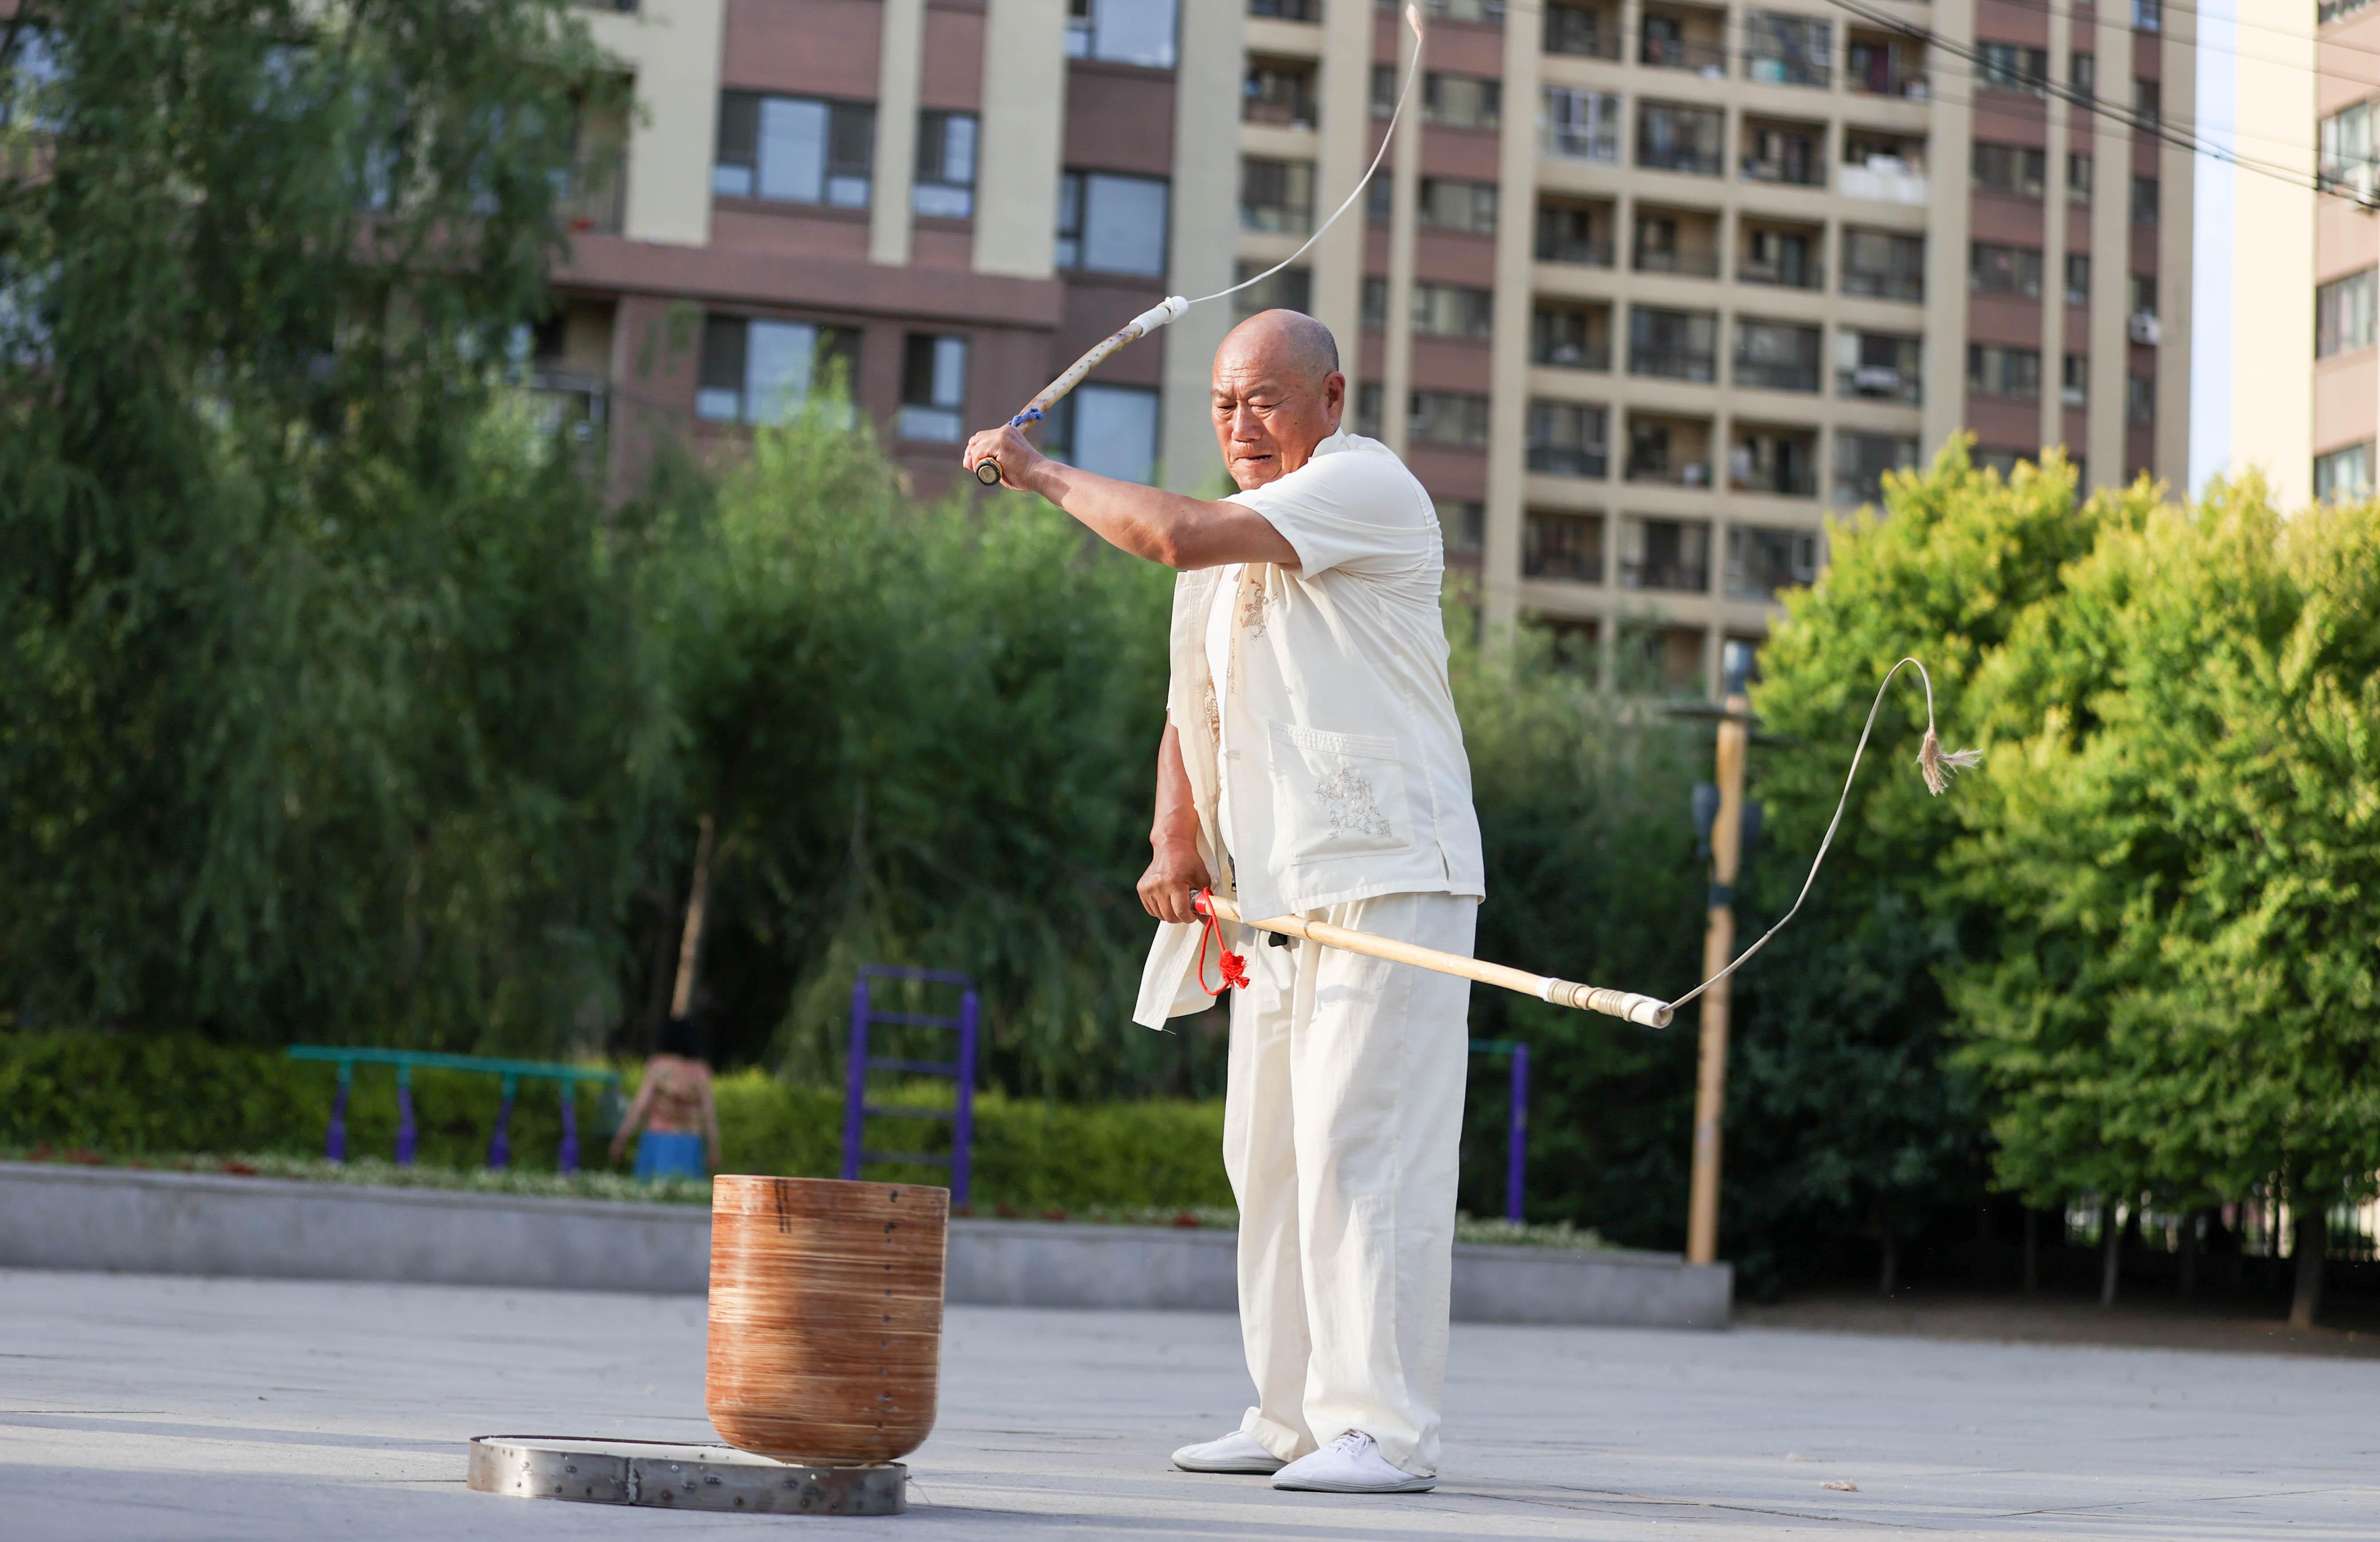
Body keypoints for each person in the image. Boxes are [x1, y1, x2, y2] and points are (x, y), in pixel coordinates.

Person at [964, 311, 1483, 1496]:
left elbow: (1171, 537)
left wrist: (1039, 471)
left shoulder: (1362, 487)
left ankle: (1385, 1432)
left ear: (1330, 398)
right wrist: (1175, 835)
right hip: (1273, 895)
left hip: (1387, 875)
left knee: (1366, 1151)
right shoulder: (1233, 541)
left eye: (1264, 400)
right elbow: (1191, 698)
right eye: (1221, 406)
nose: (1241, 425)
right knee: (1271, 1157)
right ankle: (1292, 1414)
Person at [609, 1015, 722, 1181]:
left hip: (658, 1140)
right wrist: (714, 1149)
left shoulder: (659, 1067)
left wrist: (621, 1139)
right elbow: (709, 1115)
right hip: (690, 1143)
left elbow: (640, 1106)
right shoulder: (700, 1071)